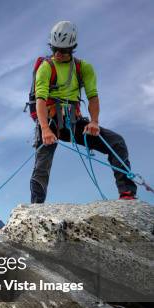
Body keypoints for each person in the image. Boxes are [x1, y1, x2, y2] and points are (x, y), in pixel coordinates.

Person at [30, 21, 137, 203]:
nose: (58, 54)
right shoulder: (46, 67)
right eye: (55, 49)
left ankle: (126, 193)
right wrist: (45, 129)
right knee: (42, 164)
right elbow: (40, 99)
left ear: (72, 48)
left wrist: (94, 122)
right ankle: (35, 207)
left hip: (74, 121)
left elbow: (93, 96)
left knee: (116, 142)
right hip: (50, 123)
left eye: (63, 51)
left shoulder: (83, 68)